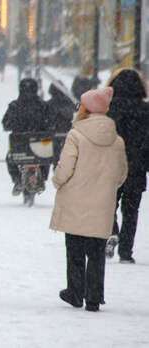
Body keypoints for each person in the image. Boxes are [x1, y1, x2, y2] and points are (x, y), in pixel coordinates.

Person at [50, 87, 127, 312]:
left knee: (74, 249)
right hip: (102, 204)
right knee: (96, 252)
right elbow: (121, 174)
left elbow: (66, 167)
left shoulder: (76, 134)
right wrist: (105, 188)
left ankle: (75, 292)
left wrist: (57, 181)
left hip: (75, 199)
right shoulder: (117, 140)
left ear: (87, 108)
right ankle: (94, 296)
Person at [104, 68, 149, 263]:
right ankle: (126, 251)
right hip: (136, 166)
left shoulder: (108, 109)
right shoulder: (145, 111)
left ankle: (111, 231)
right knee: (131, 211)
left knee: (108, 205)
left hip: (111, 166)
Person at [2, 77, 50, 195]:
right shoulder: (43, 106)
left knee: (9, 158)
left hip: (20, 147)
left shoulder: (14, 106)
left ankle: (17, 180)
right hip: (40, 147)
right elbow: (50, 123)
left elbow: (6, 124)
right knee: (47, 156)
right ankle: (42, 177)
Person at [46, 82, 75, 168]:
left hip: (53, 133)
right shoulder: (70, 103)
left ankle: (57, 167)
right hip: (67, 132)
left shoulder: (48, 104)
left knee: (55, 153)